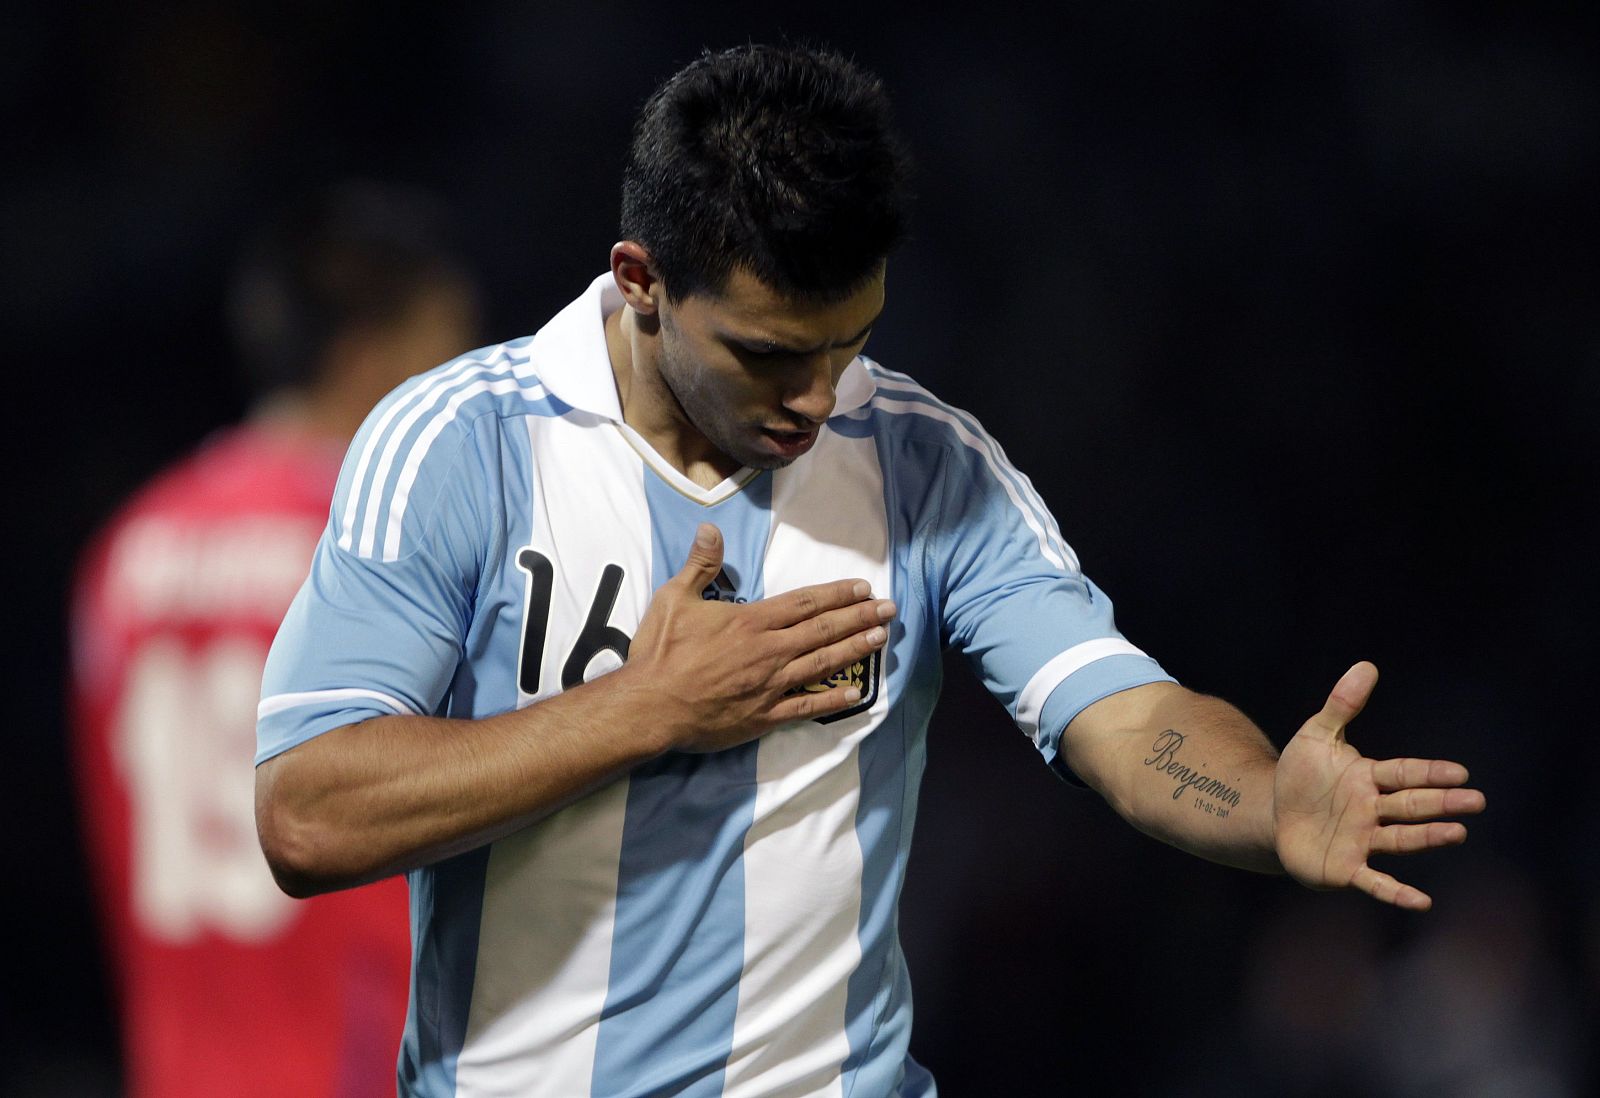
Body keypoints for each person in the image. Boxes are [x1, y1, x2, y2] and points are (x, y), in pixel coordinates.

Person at [253, 46, 1485, 1098]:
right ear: (641, 281)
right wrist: (649, 710)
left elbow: (1120, 712)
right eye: (767, 355)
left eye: (849, 343)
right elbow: (307, 812)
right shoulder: (461, 444)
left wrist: (1265, 804)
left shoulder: (921, 463)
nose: (815, 399)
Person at [72, 180, 480, 1098]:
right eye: (449, 352)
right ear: (376, 355)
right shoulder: (384, 549)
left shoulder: (127, 552)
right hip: (364, 1067)